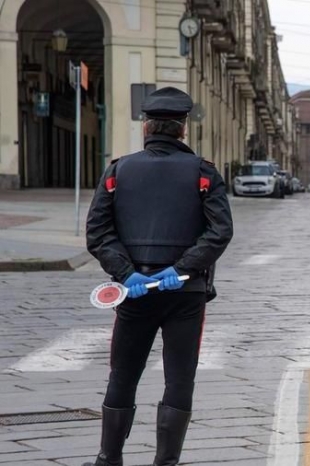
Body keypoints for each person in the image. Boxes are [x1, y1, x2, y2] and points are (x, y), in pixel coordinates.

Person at [84, 87, 233, 466]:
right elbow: (219, 232)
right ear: (183, 129)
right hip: (185, 294)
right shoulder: (204, 172)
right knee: (180, 378)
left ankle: (108, 459)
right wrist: (182, 269)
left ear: (146, 127)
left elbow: (98, 233)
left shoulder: (118, 170)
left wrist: (126, 273)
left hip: (133, 294)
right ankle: (166, 463)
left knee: (123, 374)